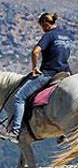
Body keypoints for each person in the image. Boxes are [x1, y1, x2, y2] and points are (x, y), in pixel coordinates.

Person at [0, 13, 74, 143]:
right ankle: (64, 132)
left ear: (45, 23)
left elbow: (35, 51)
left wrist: (34, 68)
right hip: (66, 72)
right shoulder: (65, 36)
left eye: (42, 26)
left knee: (19, 97)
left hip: (50, 73)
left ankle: (15, 131)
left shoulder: (49, 35)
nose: (42, 29)